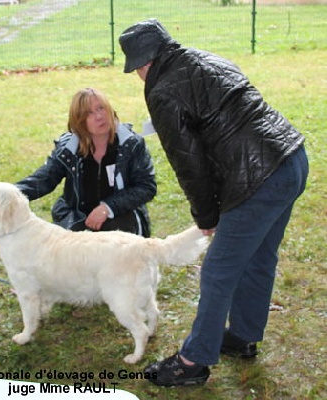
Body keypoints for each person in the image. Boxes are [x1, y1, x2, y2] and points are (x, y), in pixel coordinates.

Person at [119, 19, 309, 386]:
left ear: (145, 63)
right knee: (259, 257)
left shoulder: (162, 91)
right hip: (292, 160)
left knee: (218, 270)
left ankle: (194, 361)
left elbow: (189, 163)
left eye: (136, 69)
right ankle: (243, 336)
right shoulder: (205, 58)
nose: (138, 76)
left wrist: (206, 215)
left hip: (259, 176)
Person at [16, 87, 156, 237]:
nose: (99, 116)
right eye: (89, 113)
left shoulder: (132, 144)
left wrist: (107, 208)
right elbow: (43, 180)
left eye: (101, 108)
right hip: (77, 217)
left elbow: (146, 187)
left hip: (121, 214)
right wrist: (8, 193)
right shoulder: (68, 150)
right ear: (79, 122)